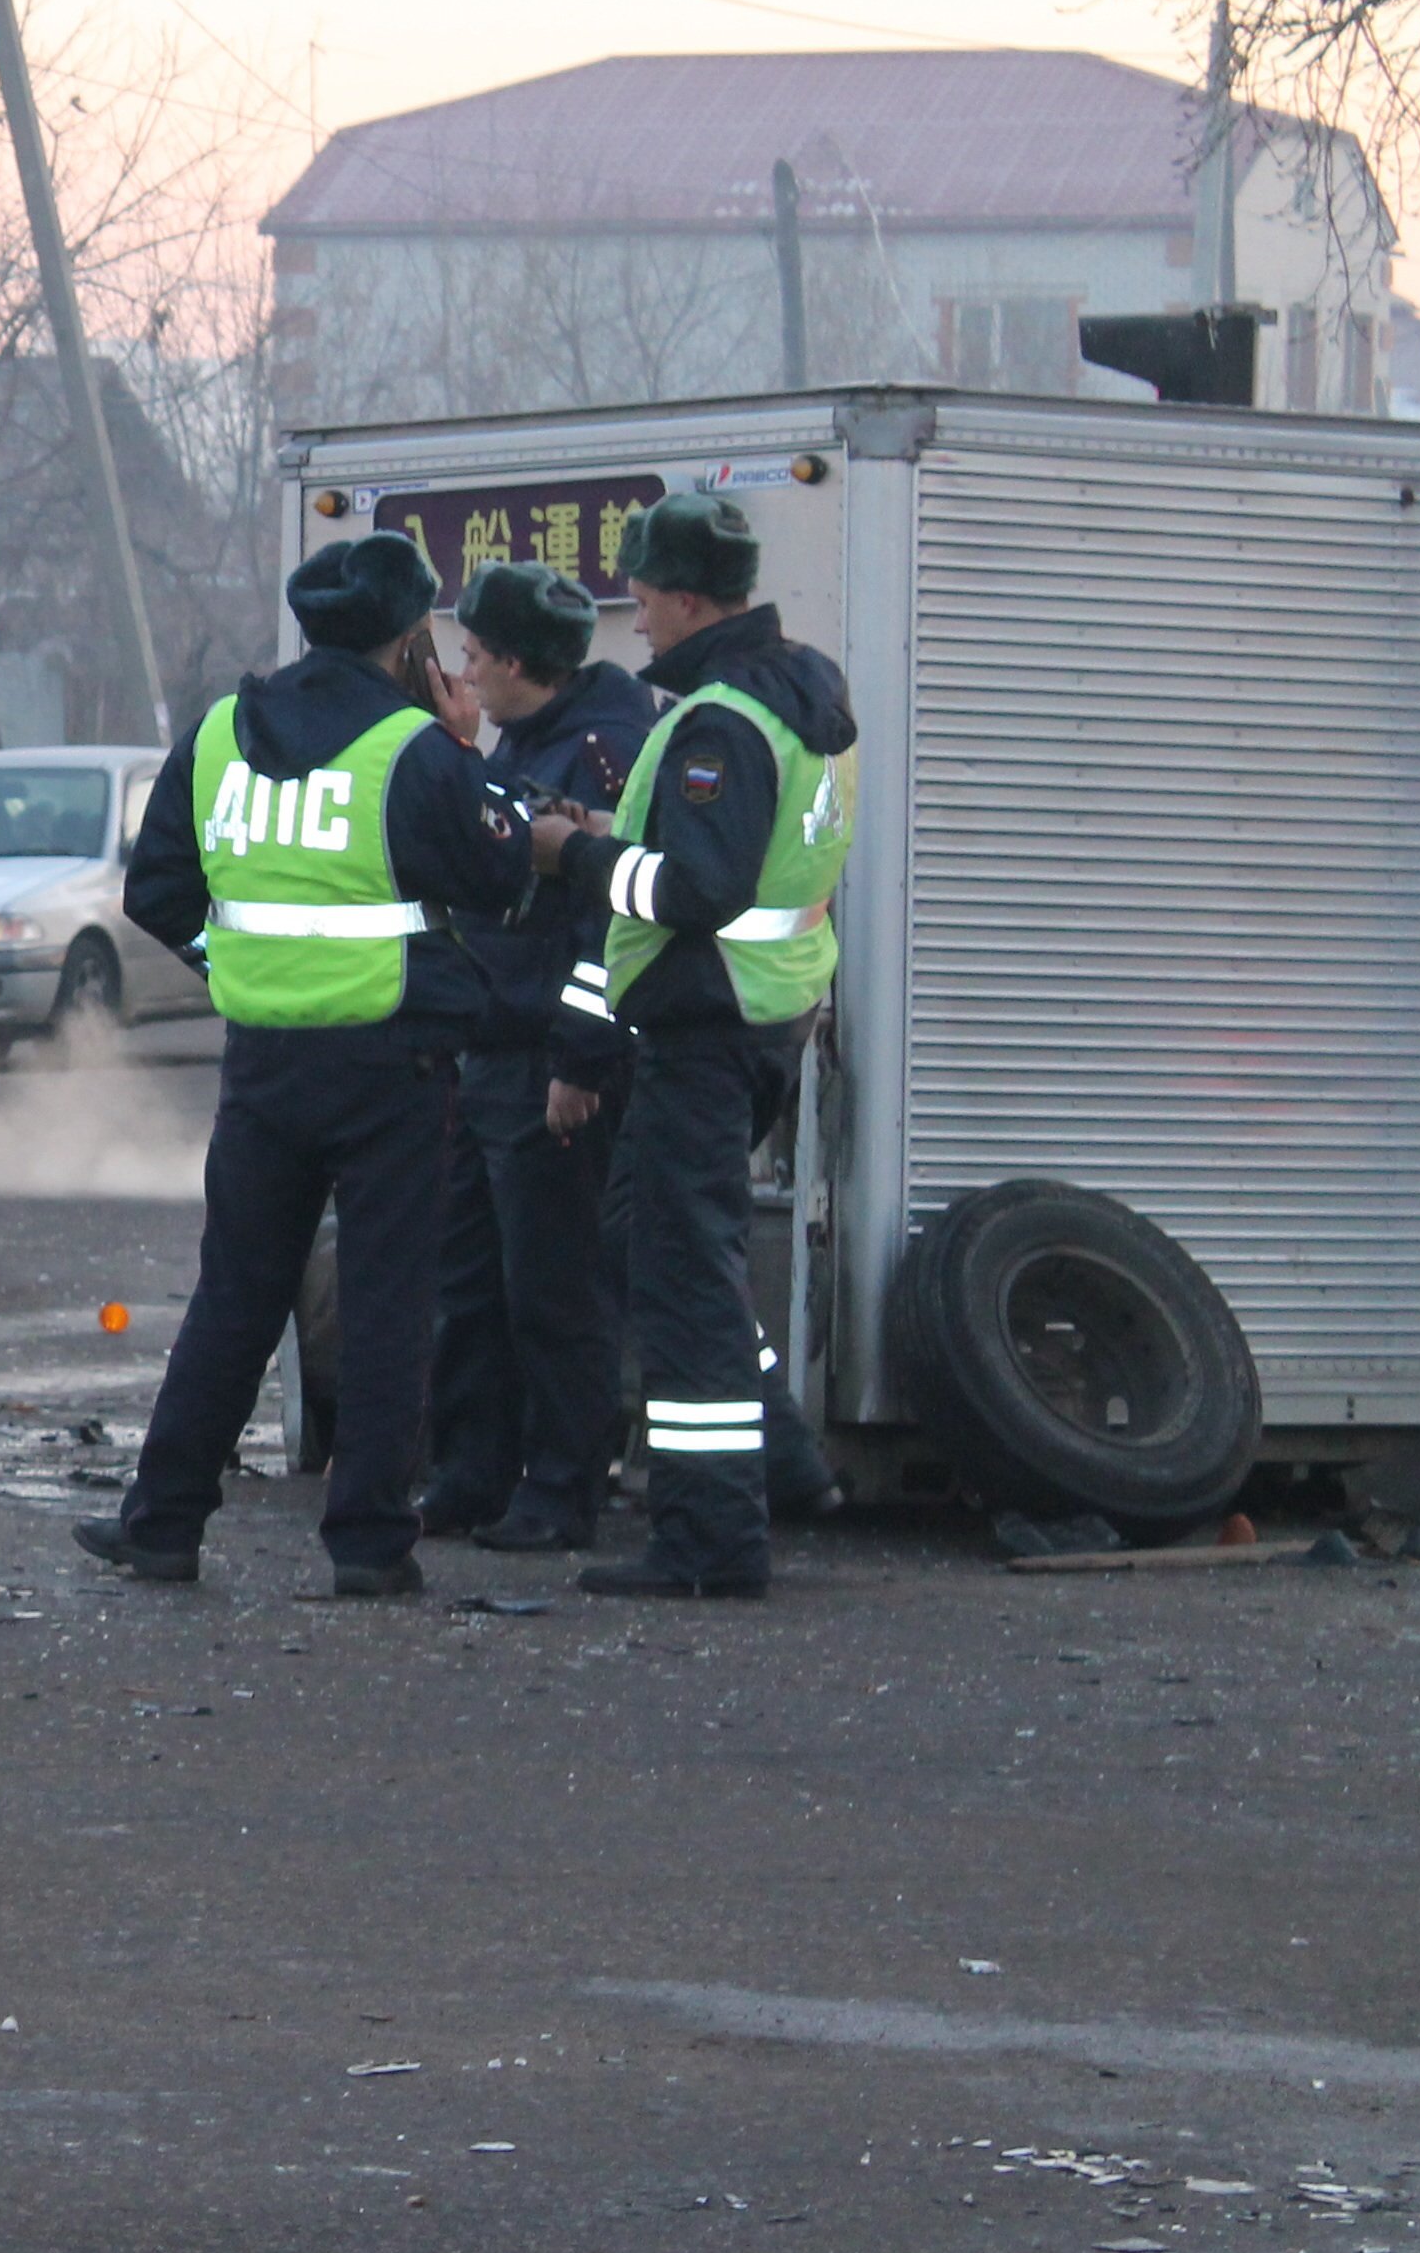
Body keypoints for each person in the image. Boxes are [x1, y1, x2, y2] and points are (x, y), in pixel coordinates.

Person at [76, 533, 534, 1597]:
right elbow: (501, 876)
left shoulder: (222, 732)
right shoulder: (415, 749)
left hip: (264, 1061)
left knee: (235, 1292)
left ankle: (163, 1521)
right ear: (409, 634)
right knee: (385, 1302)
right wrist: (472, 761)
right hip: (392, 1062)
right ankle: (369, 1544)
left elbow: (156, 893)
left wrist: (237, 964)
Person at [530, 492, 858, 1603]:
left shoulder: (720, 720)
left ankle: (710, 1537)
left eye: (643, 601)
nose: (637, 624)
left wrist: (577, 855)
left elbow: (701, 888)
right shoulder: (799, 694)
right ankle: (783, 1456)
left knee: (684, 1284)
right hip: (761, 1019)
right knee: (663, 1245)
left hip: (708, 1028)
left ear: (681, 597)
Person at [420, 559, 653, 1552]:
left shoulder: (602, 758)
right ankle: (474, 1472)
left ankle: (562, 1487)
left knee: (554, 1290)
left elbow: (610, 938)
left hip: (550, 1067)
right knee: (471, 1284)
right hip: (486, 1055)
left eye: (475, 653)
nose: (465, 667)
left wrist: (579, 1062)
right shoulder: (522, 745)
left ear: (518, 662)